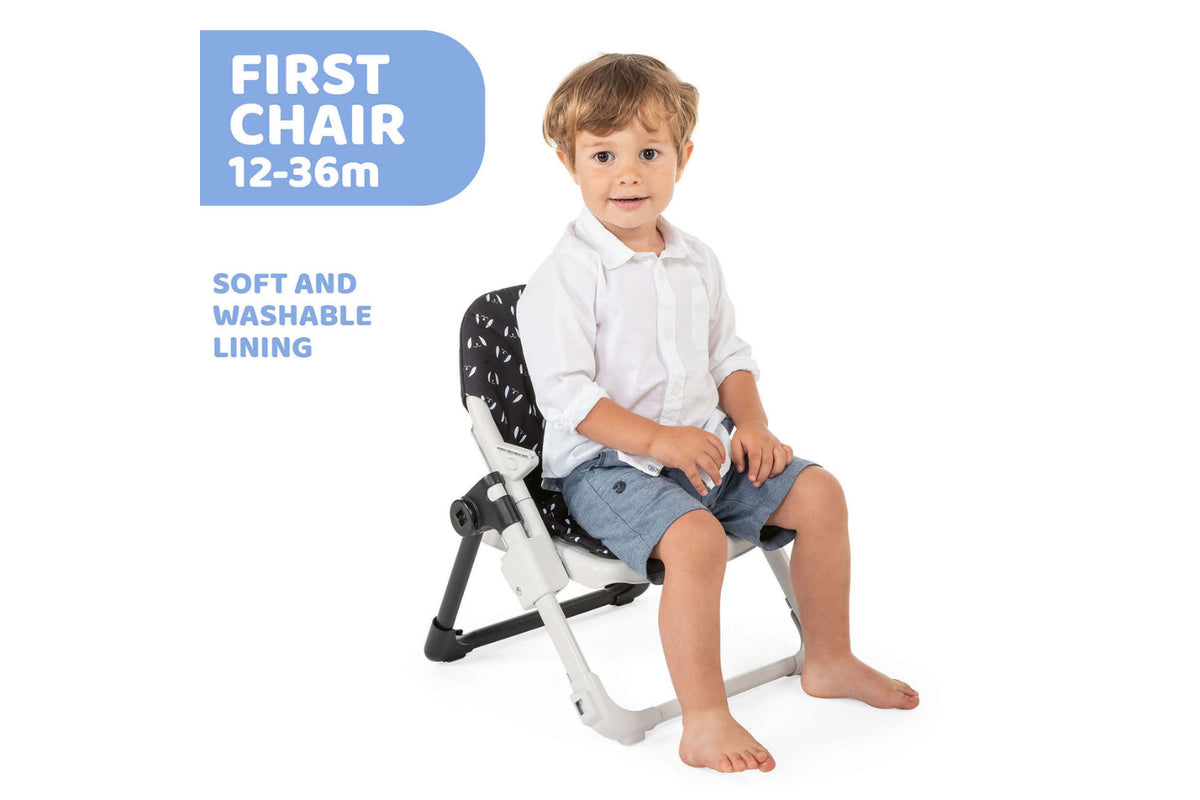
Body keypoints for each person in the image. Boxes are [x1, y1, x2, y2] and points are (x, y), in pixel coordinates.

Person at [517, 54, 918, 774]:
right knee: (697, 541)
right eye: (603, 156)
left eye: (649, 153)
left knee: (821, 493)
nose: (628, 174)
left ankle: (829, 658)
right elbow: (570, 398)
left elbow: (728, 355)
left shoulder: (696, 260)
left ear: (683, 158)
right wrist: (658, 441)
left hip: (704, 449)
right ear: (568, 163)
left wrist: (753, 426)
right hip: (607, 467)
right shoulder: (566, 277)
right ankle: (703, 720)